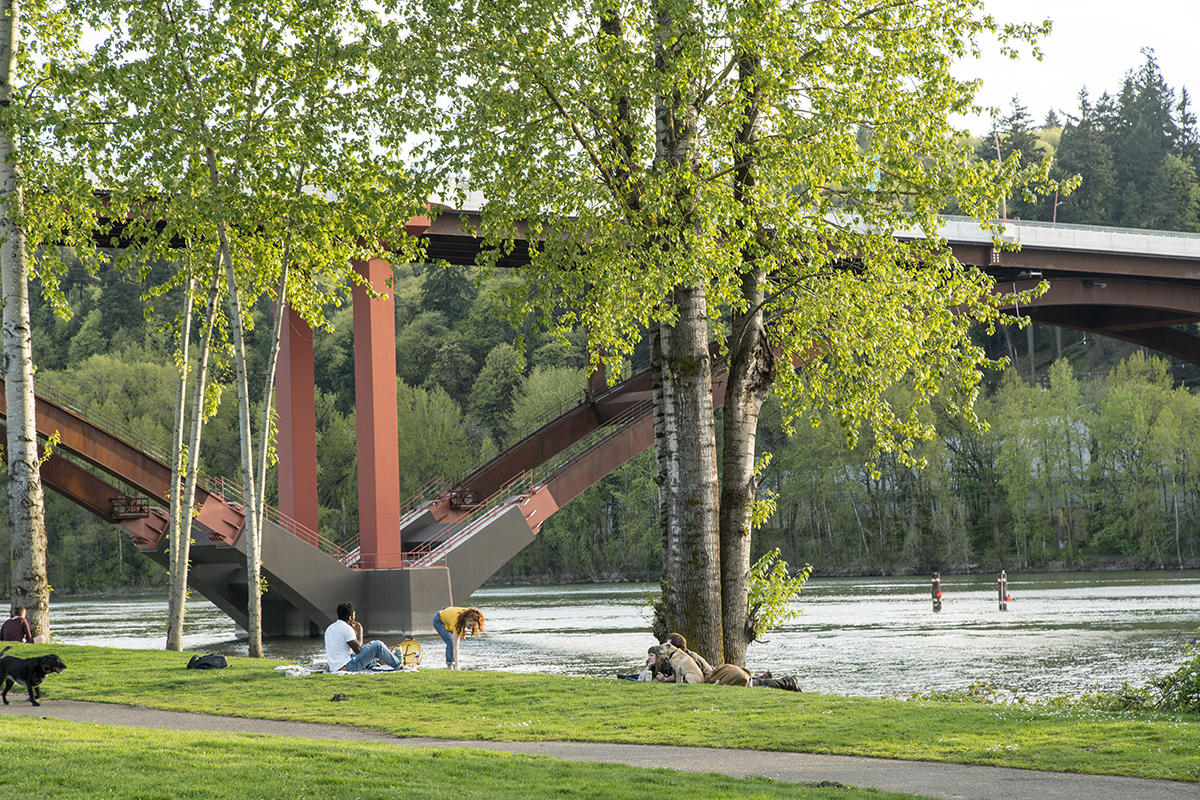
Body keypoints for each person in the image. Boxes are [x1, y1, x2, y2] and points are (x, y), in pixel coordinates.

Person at [324, 601, 402, 672]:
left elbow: (344, 647)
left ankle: (374, 664)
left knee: (369, 649)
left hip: (335, 666)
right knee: (378, 645)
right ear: (350, 617)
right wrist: (360, 632)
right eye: (354, 615)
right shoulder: (347, 628)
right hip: (348, 666)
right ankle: (399, 666)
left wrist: (354, 635)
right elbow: (358, 649)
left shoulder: (330, 628)